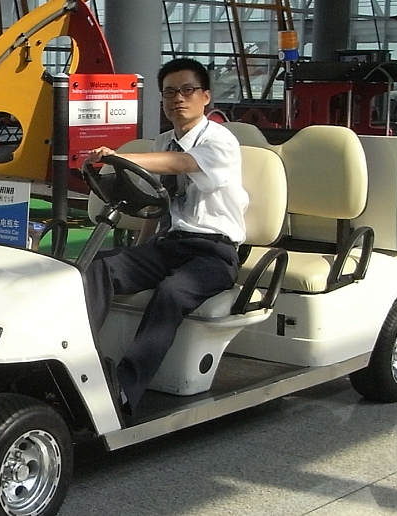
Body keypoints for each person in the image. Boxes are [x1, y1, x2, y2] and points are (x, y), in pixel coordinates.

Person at [81, 58, 248, 419]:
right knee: (97, 268)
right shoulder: (163, 141)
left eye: (187, 90)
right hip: (169, 245)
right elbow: (157, 206)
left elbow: (181, 166)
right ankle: (82, 365)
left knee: (172, 292)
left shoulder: (220, 141)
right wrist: (140, 252)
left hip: (214, 252)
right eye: (170, 92)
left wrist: (121, 156)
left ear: (205, 97)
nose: (178, 99)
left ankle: (124, 391)